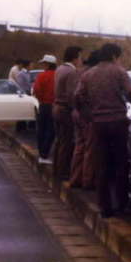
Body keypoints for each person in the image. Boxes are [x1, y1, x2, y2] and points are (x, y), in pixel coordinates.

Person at [75, 43, 131, 218]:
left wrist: (89, 116)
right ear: (114, 56)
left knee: (101, 165)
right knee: (120, 164)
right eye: (118, 57)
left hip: (98, 124)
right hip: (118, 122)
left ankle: (105, 207)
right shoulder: (119, 72)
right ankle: (121, 205)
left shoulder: (88, 75)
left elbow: (77, 97)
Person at [70, 53, 101, 191]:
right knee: (90, 149)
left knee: (79, 147)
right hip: (86, 114)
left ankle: (75, 179)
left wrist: (77, 108)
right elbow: (79, 94)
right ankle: (87, 181)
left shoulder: (78, 71)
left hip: (77, 113)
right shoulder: (92, 74)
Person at [52, 46, 83, 180]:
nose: (81, 60)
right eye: (80, 57)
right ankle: (63, 172)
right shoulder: (72, 72)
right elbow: (72, 94)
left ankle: (56, 169)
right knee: (67, 142)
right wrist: (77, 108)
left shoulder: (60, 68)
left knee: (59, 140)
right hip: (65, 110)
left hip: (56, 107)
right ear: (75, 58)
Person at [33, 54, 58, 164]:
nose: (43, 65)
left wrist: (40, 99)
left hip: (43, 104)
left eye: (44, 63)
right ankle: (45, 153)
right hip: (54, 105)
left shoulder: (41, 76)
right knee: (51, 130)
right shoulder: (57, 75)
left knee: (41, 129)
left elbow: (36, 90)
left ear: (48, 64)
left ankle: (42, 153)